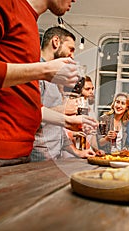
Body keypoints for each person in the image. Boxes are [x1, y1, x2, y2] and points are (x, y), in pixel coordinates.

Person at [0, 0, 97, 170]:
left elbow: (28, 103)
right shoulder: (5, 4)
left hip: (20, 153)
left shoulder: (31, 22)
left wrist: (67, 121)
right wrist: (44, 70)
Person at [31, 26, 96, 161]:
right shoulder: (36, 72)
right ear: (56, 42)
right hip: (39, 155)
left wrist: (77, 152)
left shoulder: (53, 77)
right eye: (71, 49)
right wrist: (64, 109)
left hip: (54, 155)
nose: (72, 56)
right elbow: (29, 116)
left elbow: (57, 127)